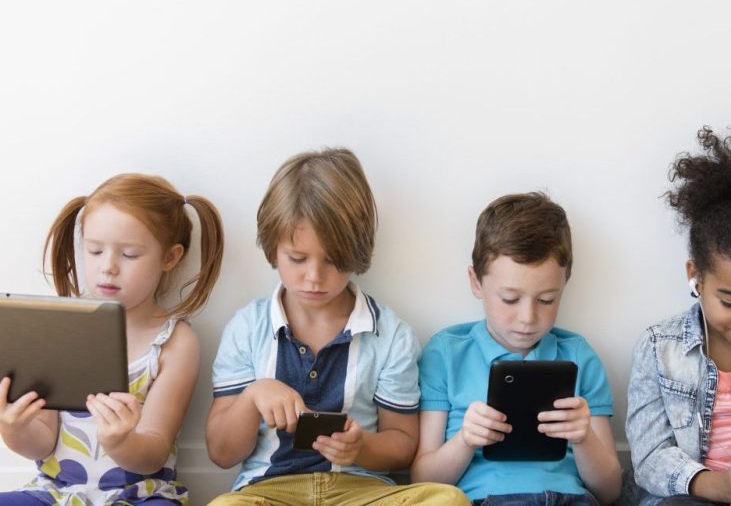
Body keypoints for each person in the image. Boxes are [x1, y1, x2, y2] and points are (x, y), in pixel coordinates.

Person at [205, 148, 468, 506]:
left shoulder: (390, 335)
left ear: (355, 250)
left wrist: (362, 447)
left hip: (362, 492)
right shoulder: (247, 327)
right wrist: (252, 397)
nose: (314, 277)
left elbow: (403, 445)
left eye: (332, 260)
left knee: (447, 500)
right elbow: (221, 452)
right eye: (297, 259)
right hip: (268, 493)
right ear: (273, 247)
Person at [0, 173, 225, 505]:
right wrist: (13, 428)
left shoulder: (175, 342)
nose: (108, 268)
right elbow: (43, 443)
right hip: (57, 493)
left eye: (130, 255)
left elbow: (153, 454)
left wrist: (121, 441)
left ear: (170, 257)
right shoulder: (60, 327)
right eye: (94, 251)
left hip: (139, 495)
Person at [411, 192, 622, 505]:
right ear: (476, 282)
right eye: (510, 299)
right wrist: (466, 440)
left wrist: (583, 437)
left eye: (547, 300)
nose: (528, 318)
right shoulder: (446, 353)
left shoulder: (578, 355)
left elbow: (610, 491)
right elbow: (422, 482)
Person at [626, 126, 731, 506]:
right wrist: (724, 486)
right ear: (695, 276)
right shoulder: (659, 348)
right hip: (693, 496)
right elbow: (650, 459)